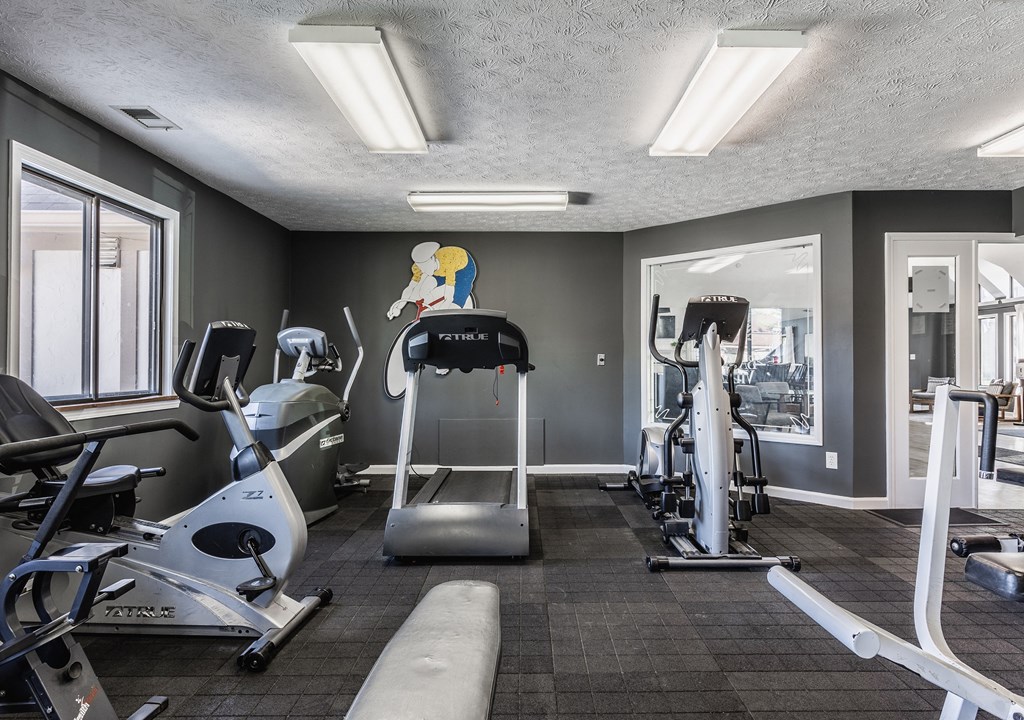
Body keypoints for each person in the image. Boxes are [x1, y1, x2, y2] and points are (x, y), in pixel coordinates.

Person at [387, 241, 477, 320]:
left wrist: (440, 313)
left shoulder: (448, 263)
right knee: (425, 286)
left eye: (426, 266)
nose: (424, 271)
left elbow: (449, 297)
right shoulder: (418, 268)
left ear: (433, 259)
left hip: (464, 269)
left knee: (455, 303)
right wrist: (398, 307)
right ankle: (431, 305)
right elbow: (410, 288)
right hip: (439, 270)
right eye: (422, 268)